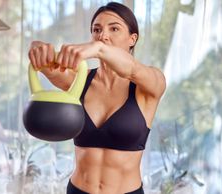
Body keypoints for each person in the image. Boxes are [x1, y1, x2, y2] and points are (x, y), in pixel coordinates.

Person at [28, 2, 166, 194]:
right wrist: (37, 47)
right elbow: (44, 62)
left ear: (132, 39)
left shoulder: (148, 85)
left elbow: (132, 68)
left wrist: (98, 49)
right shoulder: (79, 82)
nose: (102, 36)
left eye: (114, 28)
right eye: (97, 29)